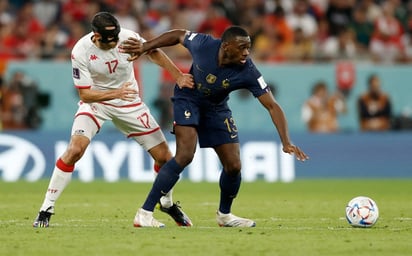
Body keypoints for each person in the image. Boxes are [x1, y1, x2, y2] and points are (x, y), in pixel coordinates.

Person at [120, 26, 309, 228]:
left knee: (234, 165)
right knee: (184, 155)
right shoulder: (204, 44)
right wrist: (146, 46)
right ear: (226, 46)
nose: (247, 52)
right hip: (189, 97)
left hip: (216, 108)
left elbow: (272, 105)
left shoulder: (248, 71)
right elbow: (177, 35)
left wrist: (286, 142)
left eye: (249, 47)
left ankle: (224, 216)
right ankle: (145, 212)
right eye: (242, 47)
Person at [33, 12, 195, 228]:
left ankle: (166, 203)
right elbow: (85, 95)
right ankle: (46, 208)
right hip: (97, 103)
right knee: (74, 150)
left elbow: (153, 52)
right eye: (109, 41)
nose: (114, 44)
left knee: (165, 158)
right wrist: (115, 93)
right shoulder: (81, 51)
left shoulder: (127, 38)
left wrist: (178, 75)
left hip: (129, 102)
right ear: (96, 36)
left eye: (115, 39)